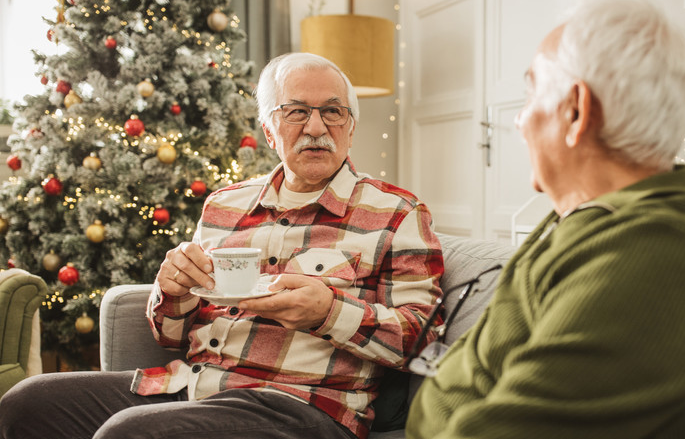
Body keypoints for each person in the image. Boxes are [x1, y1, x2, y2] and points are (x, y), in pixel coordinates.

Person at [0, 52, 444, 439]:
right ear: (270, 131)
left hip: (301, 407)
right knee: (25, 403)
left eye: (333, 111)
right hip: (190, 384)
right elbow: (170, 335)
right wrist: (172, 293)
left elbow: (423, 340)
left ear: (351, 129)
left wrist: (328, 313)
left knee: (128, 434)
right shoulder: (225, 205)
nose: (316, 126)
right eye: (295, 111)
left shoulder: (398, 213)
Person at [406, 0, 685, 439]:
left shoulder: (655, 256)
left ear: (575, 110)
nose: (519, 122)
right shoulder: (584, 227)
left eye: (531, 92)